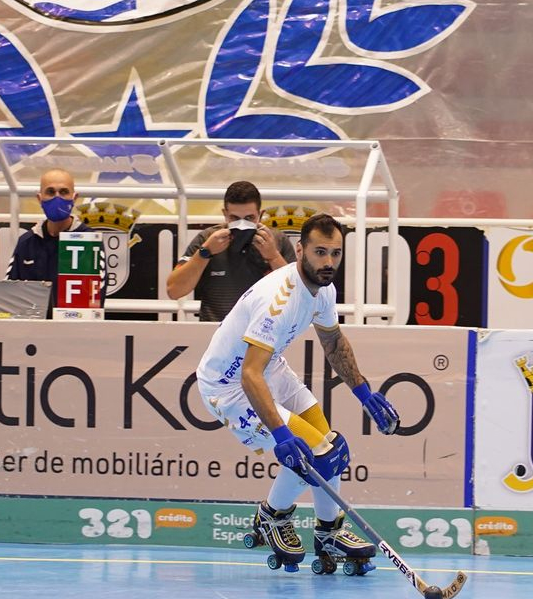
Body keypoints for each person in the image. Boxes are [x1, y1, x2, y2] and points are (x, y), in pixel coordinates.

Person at [191, 214, 403, 575]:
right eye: (320, 252)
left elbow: (333, 342)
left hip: (269, 366)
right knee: (313, 454)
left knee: (331, 449)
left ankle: (328, 532)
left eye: (335, 253)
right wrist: (280, 433)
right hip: (228, 387)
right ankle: (271, 517)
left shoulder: (323, 290)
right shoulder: (278, 300)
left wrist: (363, 393)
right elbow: (249, 375)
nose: (329, 262)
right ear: (301, 250)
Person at [165, 181, 295, 321]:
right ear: (225, 214)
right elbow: (174, 291)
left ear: (260, 215)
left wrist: (273, 257)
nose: (242, 224)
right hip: (215, 330)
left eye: (249, 218)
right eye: (235, 218)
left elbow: (298, 296)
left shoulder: (277, 241)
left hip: (263, 330)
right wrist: (205, 252)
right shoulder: (207, 239)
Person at [5, 169, 86, 283]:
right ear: (40, 198)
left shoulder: (89, 241)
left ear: (74, 198)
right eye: (50, 192)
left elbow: (96, 291)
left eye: (63, 192)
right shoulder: (26, 242)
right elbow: (9, 288)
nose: (57, 198)